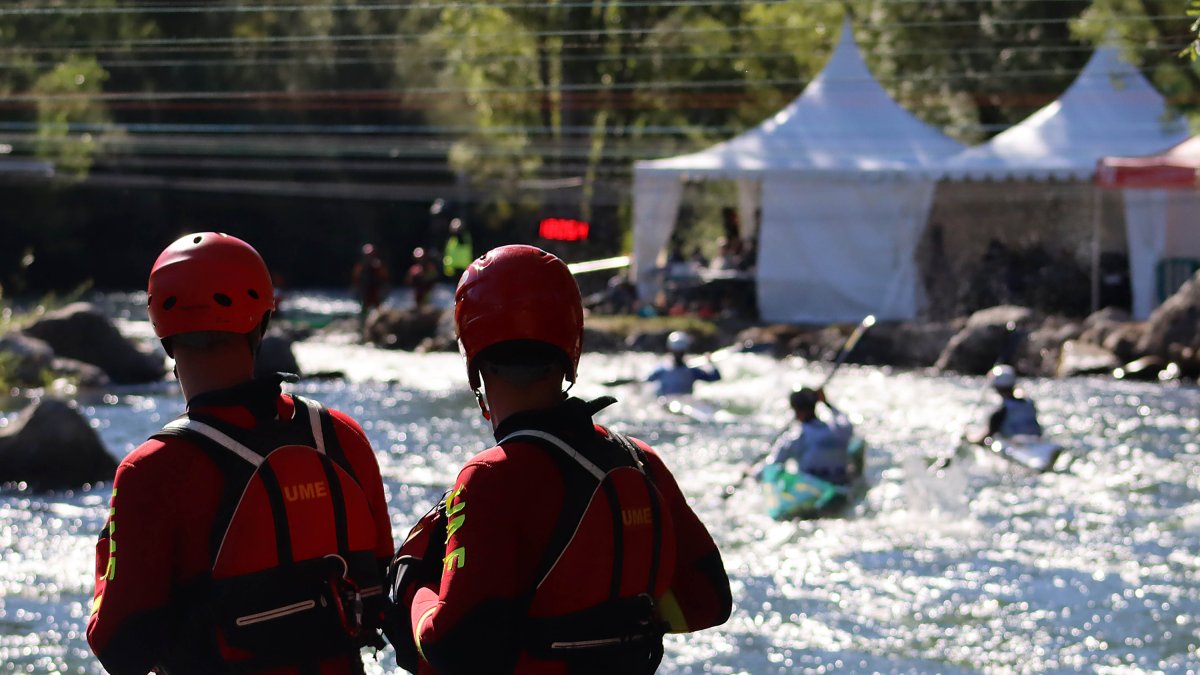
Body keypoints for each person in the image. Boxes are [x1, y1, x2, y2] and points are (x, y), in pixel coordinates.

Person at [394, 244, 732, 674]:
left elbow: (452, 646)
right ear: (571, 348)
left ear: (474, 359)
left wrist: (413, 591)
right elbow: (708, 602)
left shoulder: (489, 477)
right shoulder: (639, 460)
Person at [87, 232, 394, 674]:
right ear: (262, 323)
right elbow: (381, 582)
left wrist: (107, 556)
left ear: (163, 334)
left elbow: (118, 646)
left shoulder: (151, 471)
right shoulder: (341, 436)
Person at [762, 387, 855, 485]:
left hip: (813, 490)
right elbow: (845, 421)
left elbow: (772, 465)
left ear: (796, 411)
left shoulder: (796, 437)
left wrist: (752, 473)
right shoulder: (839, 430)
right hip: (841, 483)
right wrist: (826, 403)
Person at [646, 330, 721, 397]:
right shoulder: (661, 370)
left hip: (683, 405)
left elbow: (715, 377)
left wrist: (710, 363)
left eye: (680, 352)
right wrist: (710, 363)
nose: (678, 354)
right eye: (676, 352)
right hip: (669, 404)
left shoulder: (692, 371)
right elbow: (645, 381)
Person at [981, 365, 1042, 439]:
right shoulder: (1029, 404)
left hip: (1013, 445)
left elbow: (988, 437)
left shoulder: (1000, 413)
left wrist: (970, 441)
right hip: (1037, 441)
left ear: (997, 388)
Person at [352, 242, 389, 337]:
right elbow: (356, 280)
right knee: (363, 313)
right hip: (366, 295)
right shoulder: (360, 267)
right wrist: (356, 292)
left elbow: (385, 281)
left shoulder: (378, 266)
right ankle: (362, 332)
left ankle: (380, 331)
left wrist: (384, 293)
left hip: (376, 294)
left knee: (379, 313)